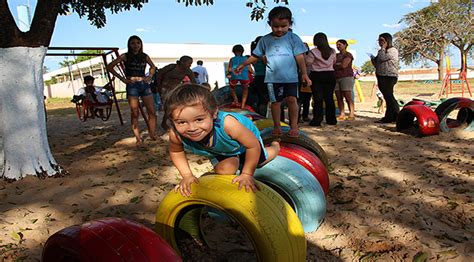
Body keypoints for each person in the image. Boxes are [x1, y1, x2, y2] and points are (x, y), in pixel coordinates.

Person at [164, 84, 280, 197]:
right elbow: (176, 152)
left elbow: (253, 145)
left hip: (246, 141)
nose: (192, 128)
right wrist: (187, 176)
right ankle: (234, 159)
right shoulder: (176, 134)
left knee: (260, 162)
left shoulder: (228, 124)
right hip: (220, 149)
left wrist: (246, 174)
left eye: (199, 119)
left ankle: (275, 146)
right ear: (172, 120)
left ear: (214, 113)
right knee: (225, 170)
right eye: (182, 122)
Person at [235, 6, 311, 137]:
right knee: (275, 103)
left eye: (284, 26)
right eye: (276, 26)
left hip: (291, 78)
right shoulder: (265, 40)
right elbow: (256, 55)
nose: (280, 29)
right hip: (272, 79)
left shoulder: (293, 38)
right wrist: (243, 64)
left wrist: (304, 73)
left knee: (292, 100)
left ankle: (294, 126)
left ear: (290, 24)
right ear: (270, 24)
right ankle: (277, 126)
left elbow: (300, 57)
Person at [107, 35, 157, 145]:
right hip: (132, 85)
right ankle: (138, 138)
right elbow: (110, 66)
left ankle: (152, 134)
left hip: (144, 84)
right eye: (133, 43)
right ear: (129, 44)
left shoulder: (144, 56)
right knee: (135, 112)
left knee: (152, 111)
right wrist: (122, 79)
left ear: (141, 44)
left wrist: (150, 76)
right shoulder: (125, 56)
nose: (136, 45)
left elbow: (153, 67)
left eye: (138, 43)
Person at [154, 55, 196, 130]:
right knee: (169, 107)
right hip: (165, 89)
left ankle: (170, 122)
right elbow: (159, 74)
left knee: (175, 106)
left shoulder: (188, 71)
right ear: (182, 62)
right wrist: (159, 86)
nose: (190, 65)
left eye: (191, 63)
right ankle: (166, 123)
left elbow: (194, 82)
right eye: (189, 63)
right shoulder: (172, 67)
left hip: (176, 90)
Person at [305, 32, 337, 127]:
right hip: (330, 75)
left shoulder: (313, 51)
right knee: (329, 98)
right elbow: (334, 62)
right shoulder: (332, 51)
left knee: (318, 98)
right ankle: (331, 119)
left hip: (317, 75)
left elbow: (308, 62)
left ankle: (317, 120)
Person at [371, 32, 399, 123]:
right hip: (381, 75)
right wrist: (373, 60)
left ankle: (390, 117)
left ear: (387, 40)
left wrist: (383, 48)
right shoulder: (380, 51)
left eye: (382, 40)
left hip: (389, 76)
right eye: (379, 40)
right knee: (387, 97)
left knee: (389, 96)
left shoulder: (392, 50)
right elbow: (378, 63)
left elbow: (383, 58)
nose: (380, 42)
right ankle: (394, 115)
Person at [334, 39, 355, 121]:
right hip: (336, 77)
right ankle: (342, 113)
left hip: (346, 77)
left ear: (345, 45)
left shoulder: (348, 54)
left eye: (340, 44)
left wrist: (336, 64)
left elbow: (344, 65)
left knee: (347, 96)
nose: (338, 46)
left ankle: (351, 113)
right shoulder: (336, 55)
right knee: (338, 97)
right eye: (337, 45)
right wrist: (338, 64)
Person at [227, 44, 253, 109]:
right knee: (245, 90)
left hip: (234, 76)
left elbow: (229, 69)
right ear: (242, 51)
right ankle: (243, 105)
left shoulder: (232, 59)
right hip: (244, 76)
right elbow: (250, 69)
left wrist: (231, 71)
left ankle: (236, 100)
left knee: (232, 88)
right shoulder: (246, 58)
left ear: (233, 51)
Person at [249, 36, 269, 116]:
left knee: (260, 99)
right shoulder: (262, 55)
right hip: (265, 78)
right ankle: (263, 116)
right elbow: (268, 65)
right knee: (264, 100)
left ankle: (258, 116)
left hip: (257, 78)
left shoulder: (253, 55)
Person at [299, 42, 312, 122]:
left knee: (307, 99)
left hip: (309, 78)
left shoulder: (310, 56)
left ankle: (305, 115)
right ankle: (298, 116)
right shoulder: (297, 56)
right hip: (298, 78)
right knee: (299, 99)